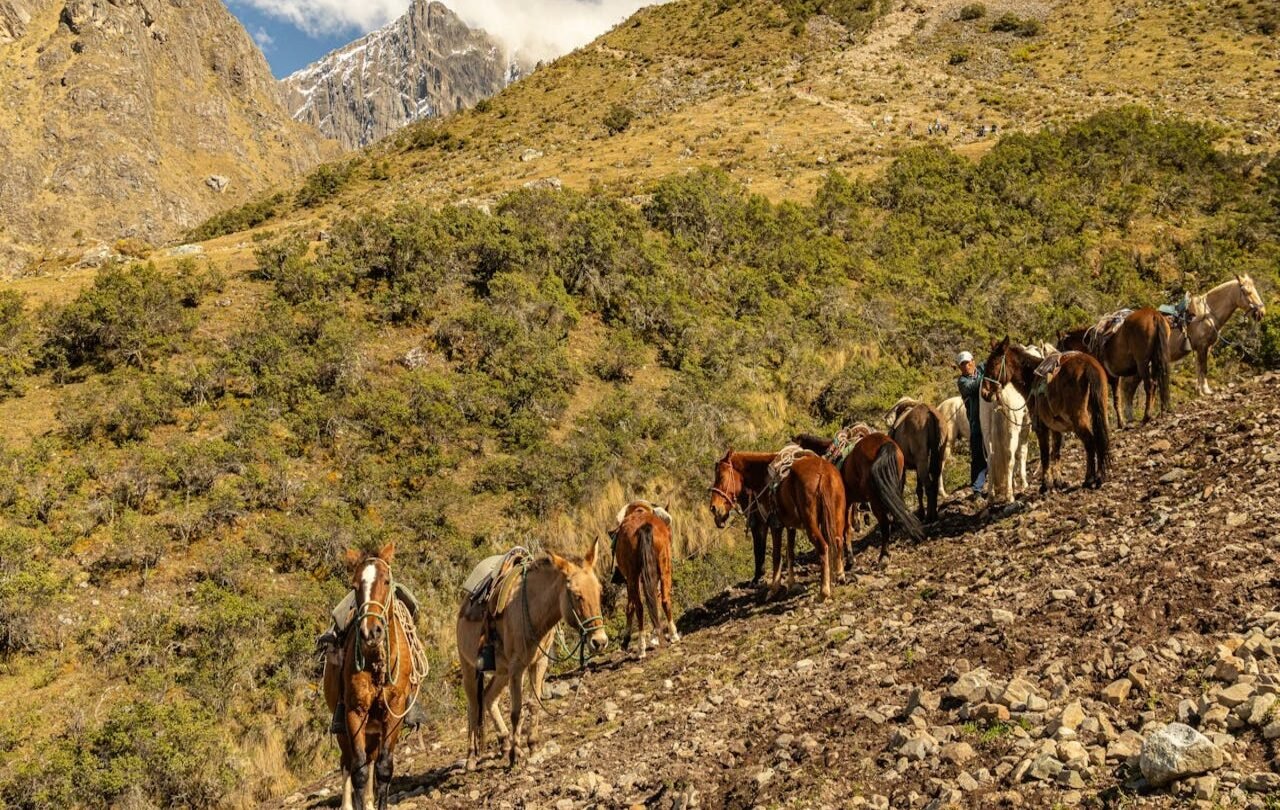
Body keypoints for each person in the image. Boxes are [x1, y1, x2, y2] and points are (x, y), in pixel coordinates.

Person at [316, 582, 429, 733]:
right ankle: (341, 702)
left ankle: (410, 697)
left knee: (411, 611)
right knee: (339, 617)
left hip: (385, 582)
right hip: (365, 584)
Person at [955, 350, 987, 496]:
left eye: (967, 363)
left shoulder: (981, 369)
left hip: (990, 421)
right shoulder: (962, 382)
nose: (966, 366)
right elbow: (972, 388)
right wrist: (987, 377)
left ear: (973, 362)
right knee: (978, 456)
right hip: (976, 423)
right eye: (962, 365)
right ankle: (977, 489)